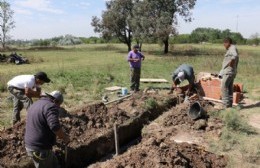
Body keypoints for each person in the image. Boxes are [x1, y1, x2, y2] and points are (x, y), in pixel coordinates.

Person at [25, 90, 69, 168]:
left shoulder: (36, 103)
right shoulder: (51, 106)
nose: (58, 107)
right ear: (55, 101)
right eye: (58, 105)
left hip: (33, 145)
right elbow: (54, 126)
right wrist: (64, 137)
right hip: (40, 148)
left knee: (55, 164)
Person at [219, 37, 239, 108]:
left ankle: (225, 105)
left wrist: (232, 62)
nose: (224, 45)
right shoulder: (231, 48)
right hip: (230, 72)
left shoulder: (232, 48)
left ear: (227, 43)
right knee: (230, 88)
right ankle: (229, 105)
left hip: (229, 71)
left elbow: (235, 55)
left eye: (224, 44)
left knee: (224, 87)